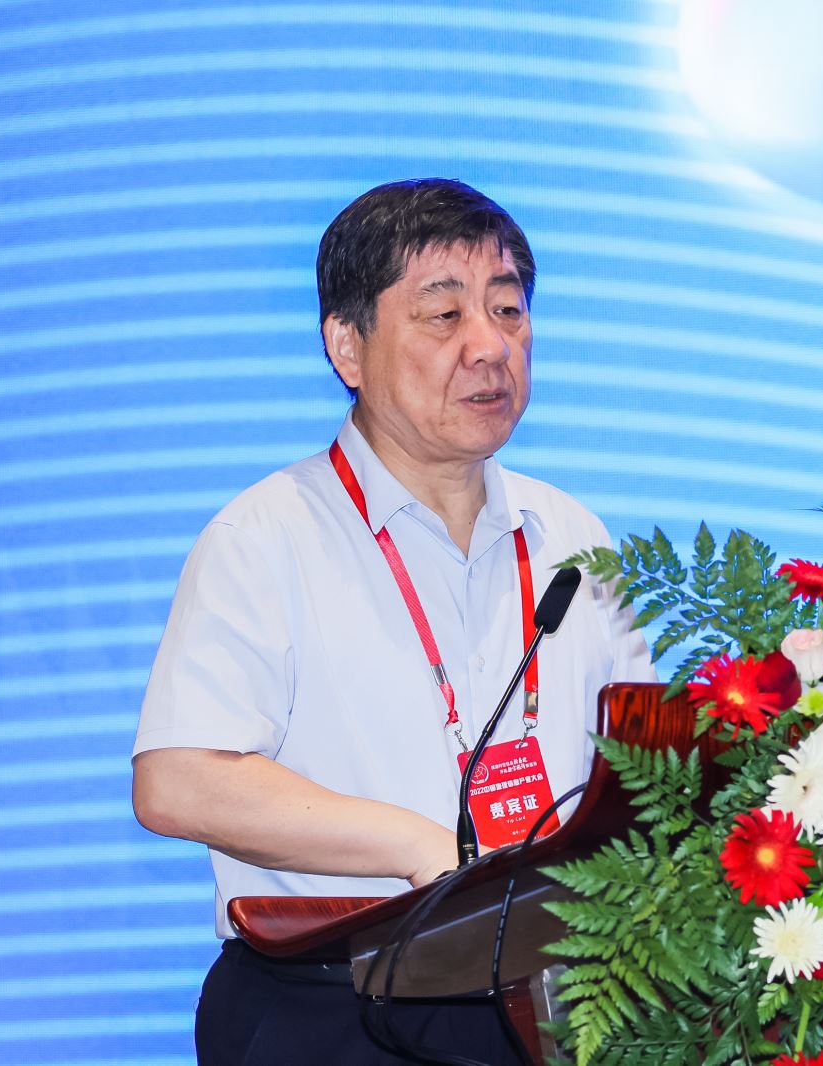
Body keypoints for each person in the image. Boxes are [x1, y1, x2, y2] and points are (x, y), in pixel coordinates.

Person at [131, 178, 656, 1064]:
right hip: (335, 1010)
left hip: (557, 1003)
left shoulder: (572, 536)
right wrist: (418, 847)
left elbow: (640, 776)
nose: (490, 346)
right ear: (348, 345)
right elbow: (176, 781)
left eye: (508, 310)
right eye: (444, 316)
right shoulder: (266, 537)